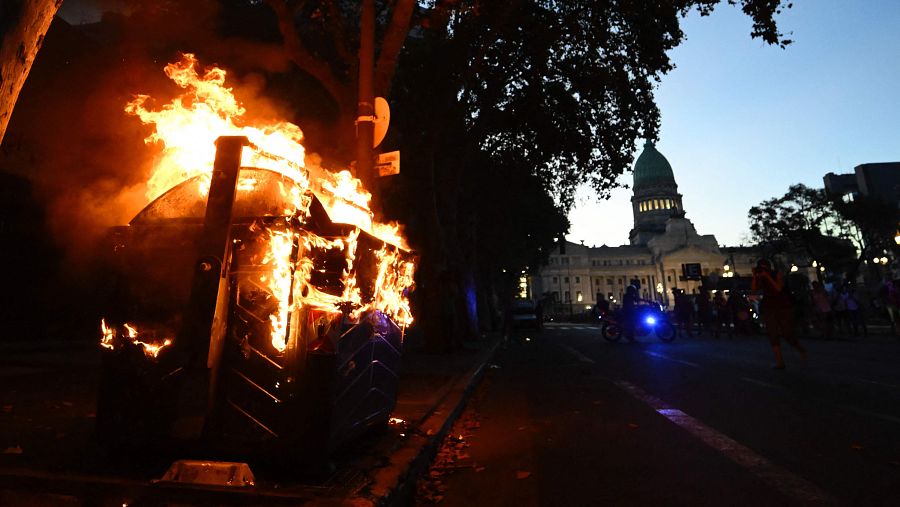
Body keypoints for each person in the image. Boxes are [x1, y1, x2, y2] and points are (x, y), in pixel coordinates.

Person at [752, 259, 807, 369]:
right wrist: (755, 276)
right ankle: (780, 362)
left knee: (787, 333)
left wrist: (767, 276)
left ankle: (800, 349)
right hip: (769, 307)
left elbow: (778, 288)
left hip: (783, 306)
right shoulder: (759, 277)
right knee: (772, 334)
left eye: (764, 267)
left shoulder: (777, 274)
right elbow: (754, 289)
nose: (763, 269)